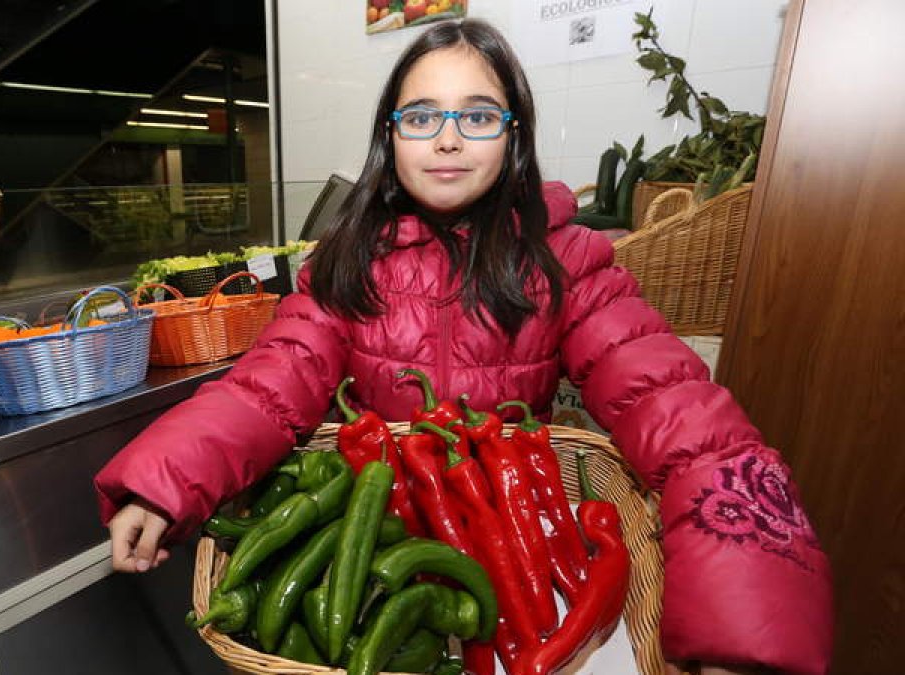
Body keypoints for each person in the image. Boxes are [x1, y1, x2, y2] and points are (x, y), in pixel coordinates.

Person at [94, 19, 832, 675]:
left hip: (515, 546)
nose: (448, 137)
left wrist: (746, 621)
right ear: (391, 135)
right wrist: (160, 484)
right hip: (377, 555)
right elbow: (267, 384)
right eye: (422, 116)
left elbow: (683, 418)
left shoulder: (565, 260)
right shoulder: (345, 261)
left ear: (514, 135)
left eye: (478, 115)